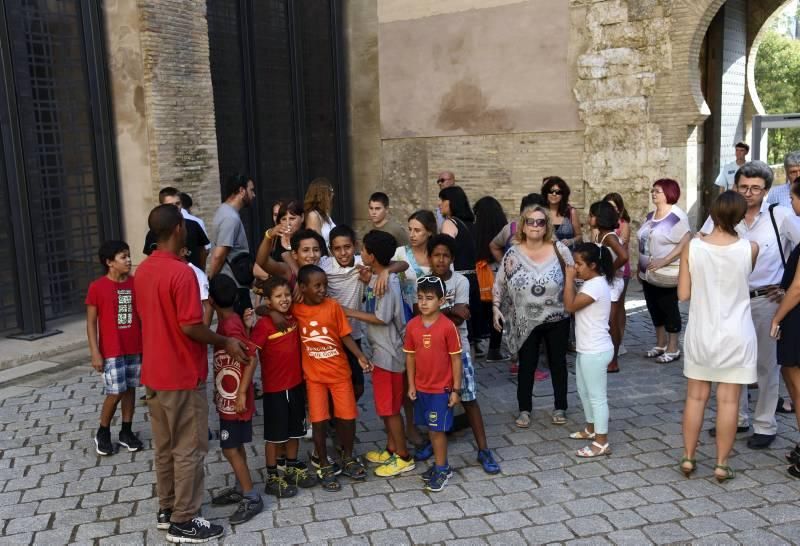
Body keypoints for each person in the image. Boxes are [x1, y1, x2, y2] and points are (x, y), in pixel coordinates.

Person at [135, 204, 247, 543]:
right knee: (188, 448)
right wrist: (225, 340)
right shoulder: (181, 273)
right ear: (179, 231)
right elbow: (190, 326)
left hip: (154, 374)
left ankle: (167, 509)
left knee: (165, 447)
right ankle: (185, 519)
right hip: (182, 374)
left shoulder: (143, 271)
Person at [701, 161, 800, 449]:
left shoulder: (779, 215)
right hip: (728, 301)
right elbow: (701, 240)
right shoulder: (725, 213)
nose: (749, 193)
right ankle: (738, 417)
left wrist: (786, 287)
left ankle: (765, 424)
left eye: (756, 188)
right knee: (731, 361)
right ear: (735, 186)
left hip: (764, 301)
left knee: (766, 365)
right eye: (743, 186)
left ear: (767, 190)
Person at [679, 191, 758, 482]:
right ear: (740, 216)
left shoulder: (694, 247)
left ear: (713, 212)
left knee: (695, 397)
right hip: (737, 333)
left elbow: (684, 294)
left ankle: (688, 456)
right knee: (729, 402)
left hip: (702, 331)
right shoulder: (751, 248)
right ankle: (722, 464)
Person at [292, 265, 372, 491]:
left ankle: (347, 457)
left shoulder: (333, 306)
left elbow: (344, 335)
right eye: (317, 286)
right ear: (302, 288)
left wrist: (359, 355)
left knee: (347, 418)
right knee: (319, 422)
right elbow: (267, 308)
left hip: (339, 375)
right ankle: (324, 463)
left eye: (324, 285)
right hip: (315, 378)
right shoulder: (296, 310)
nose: (322, 289)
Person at [493, 205, 573, 428]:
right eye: (531, 221)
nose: (535, 226)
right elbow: (500, 282)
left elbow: (574, 275)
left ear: (547, 225)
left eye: (540, 222)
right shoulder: (513, 253)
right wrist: (496, 307)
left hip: (557, 317)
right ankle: (524, 409)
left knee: (558, 364)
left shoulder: (559, 249)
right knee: (526, 365)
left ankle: (560, 407)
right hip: (524, 319)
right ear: (523, 225)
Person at [343, 230, 415, 477]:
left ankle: (403, 456)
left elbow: (381, 317)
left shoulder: (389, 283)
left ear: (371, 256)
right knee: (386, 406)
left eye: (362, 250)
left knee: (390, 409)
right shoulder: (380, 278)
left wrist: (348, 312)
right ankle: (391, 448)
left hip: (390, 355)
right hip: (381, 353)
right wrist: (368, 281)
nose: (358, 253)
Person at [427, 234, 501, 474]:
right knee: (435, 400)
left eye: (445, 255)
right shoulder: (424, 281)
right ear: (429, 257)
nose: (440, 260)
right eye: (436, 255)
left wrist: (437, 309)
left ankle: (483, 448)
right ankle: (434, 442)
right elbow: (425, 314)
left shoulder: (461, 282)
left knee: (469, 399)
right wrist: (449, 309)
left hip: (458, 348)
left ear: (452, 258)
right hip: (433, 352)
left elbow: (461, 316)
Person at [250, 277, 318, 497]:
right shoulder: (264, 325)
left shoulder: (293, 314)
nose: (285, 299)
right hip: (275, 390)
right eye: (278, 296)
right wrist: (244, 390)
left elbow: (264, 307)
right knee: (274, 435)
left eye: (287, 294)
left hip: (296, 384)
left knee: (295, 430)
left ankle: (291, 465)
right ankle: (272, 476)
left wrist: (272, 310)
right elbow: (252, 354)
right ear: (269, 301)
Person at [207, 276, 263, 524]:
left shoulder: (229, 326)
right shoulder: (232, 323)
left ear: (210, 301)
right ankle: (243, 486)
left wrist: (240, 393)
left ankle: (251, 496)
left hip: (235, 400)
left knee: (229, 447)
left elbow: (252, 357)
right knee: (235, 445)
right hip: (228, 396)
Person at [404, 275, 462, 492]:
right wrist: (411, 385)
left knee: (438, 431)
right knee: (430, 427)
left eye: (429, 298)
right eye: (420, 298)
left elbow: (456, 359)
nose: (424, 303)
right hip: (421, 388)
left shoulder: (448, 327)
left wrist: (456, 390)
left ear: (441, 300)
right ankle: (439, 464)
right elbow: (410, 357)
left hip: (441, 390)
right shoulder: (412, 326)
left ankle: (442, 467)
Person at [86, 240, 144, 456]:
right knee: (115, 391)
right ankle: (103, 431)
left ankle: (126, 431)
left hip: (134, 346)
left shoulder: (135, 283)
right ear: (110, 262)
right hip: (111, 350)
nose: (128, 260)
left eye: (128, 255)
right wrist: (95, 351)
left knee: (130, 388)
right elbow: (91, 322)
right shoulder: (97, 287)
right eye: (123, 257)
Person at [563, 243, 615, 457]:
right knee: (584, 392)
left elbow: (570, 306)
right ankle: (591, 429)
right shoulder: (590, 282)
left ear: (593, 265)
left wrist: (567, 279)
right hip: (587, 348)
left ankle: (601, 442)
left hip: (596, 350)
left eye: (579, 264)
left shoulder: (595, 285)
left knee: (596, 397)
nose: (575, 268)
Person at [392, 209, 437, 447]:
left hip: (434, 323)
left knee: (431, 374)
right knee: (408, 374)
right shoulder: (401, 253)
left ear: (429, 232)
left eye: (417, 230)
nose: (412, 234)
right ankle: (410, 424)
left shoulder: (437, 255)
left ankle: (435, 421)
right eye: (410, 229)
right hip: (408, 322)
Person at [489, 192, 545, 375]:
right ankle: (527, 366)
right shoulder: (538, 230)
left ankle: (516, 362)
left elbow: (494, 245)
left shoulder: (510, 228)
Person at [637, 178, 691, 364]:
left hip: (667, 273)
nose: (653, 193)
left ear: (669, 193)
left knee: (669, 309)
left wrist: (665, 260)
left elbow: (686, 240)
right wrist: (640, 265)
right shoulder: (650, 215)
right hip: (647, 272)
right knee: (654, 308)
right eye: (652, 190)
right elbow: (643, 241)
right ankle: (660, 344)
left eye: (657, 191)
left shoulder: (676, 216)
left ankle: (673, 347)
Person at [771, 180, 800, 477]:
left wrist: (777, 317)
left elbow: (798, 287)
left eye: (793, 197)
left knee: (797, 388)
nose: (791, 203)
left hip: (796, 318)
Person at [439, 185, 483, 358]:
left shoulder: (450, 223)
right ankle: (469, 370)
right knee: (469, 332)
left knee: (459, 328)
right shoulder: (471, 224)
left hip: (457, 278)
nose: (440, 204)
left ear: (451, 202)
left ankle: (461, 372)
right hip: (472, 278)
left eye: (443, 200)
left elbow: (446, 254)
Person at [209, 174, 257, 316]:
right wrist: (211, 280)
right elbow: (219, 254)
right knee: (241, 331)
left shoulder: (224, 212)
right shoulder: (230, 217)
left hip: (232, 284)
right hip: (234, 286)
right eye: (251, 190)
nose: (253, 195)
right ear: (242, 191)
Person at [589, 201, 628, 373]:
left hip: (613, 284)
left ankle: (613, 361)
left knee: (611, 322)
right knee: (604, 321)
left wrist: (609, 270)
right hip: (606, 283)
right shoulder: (601, 235)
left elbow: (624, 256)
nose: (589, 218)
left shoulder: (609, 237)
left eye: (592, 215)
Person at [473, 196, 509, 363]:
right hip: (497, 271)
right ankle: (494, 349)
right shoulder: (503, 228)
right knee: (498, 308)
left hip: (480, 272)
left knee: (483, 308)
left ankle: (479, 343)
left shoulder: (475, 229)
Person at [143, 187, 210, 270]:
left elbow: (203, 252)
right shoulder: (154, 232)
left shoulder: (194, 225)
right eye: (170, 205)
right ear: (162, 206)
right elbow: (151, 260)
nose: (175, 208)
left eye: (178, 203)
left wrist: (201, 271)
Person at [603, 192, 632, 358]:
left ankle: (619, 341)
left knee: (619, 307)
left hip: (620, 270)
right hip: (605, 270)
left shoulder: (623, 224)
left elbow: (622, 244)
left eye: (614, 206)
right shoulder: (600, 226)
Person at [542, 176, 582, 249]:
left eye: (558, 192)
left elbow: (579, 236)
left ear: (563, 195)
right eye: (551, 191)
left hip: (568, 256)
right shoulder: (540, 212)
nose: (554, 194)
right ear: (546, 193)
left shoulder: (571, 212)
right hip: (546, 256)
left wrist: (571, 241)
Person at [304, 177, 337, 246]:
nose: (333, 194)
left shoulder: (325, 214)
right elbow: (316, 244)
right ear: (323, 194)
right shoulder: (313, 215)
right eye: (330, 191)